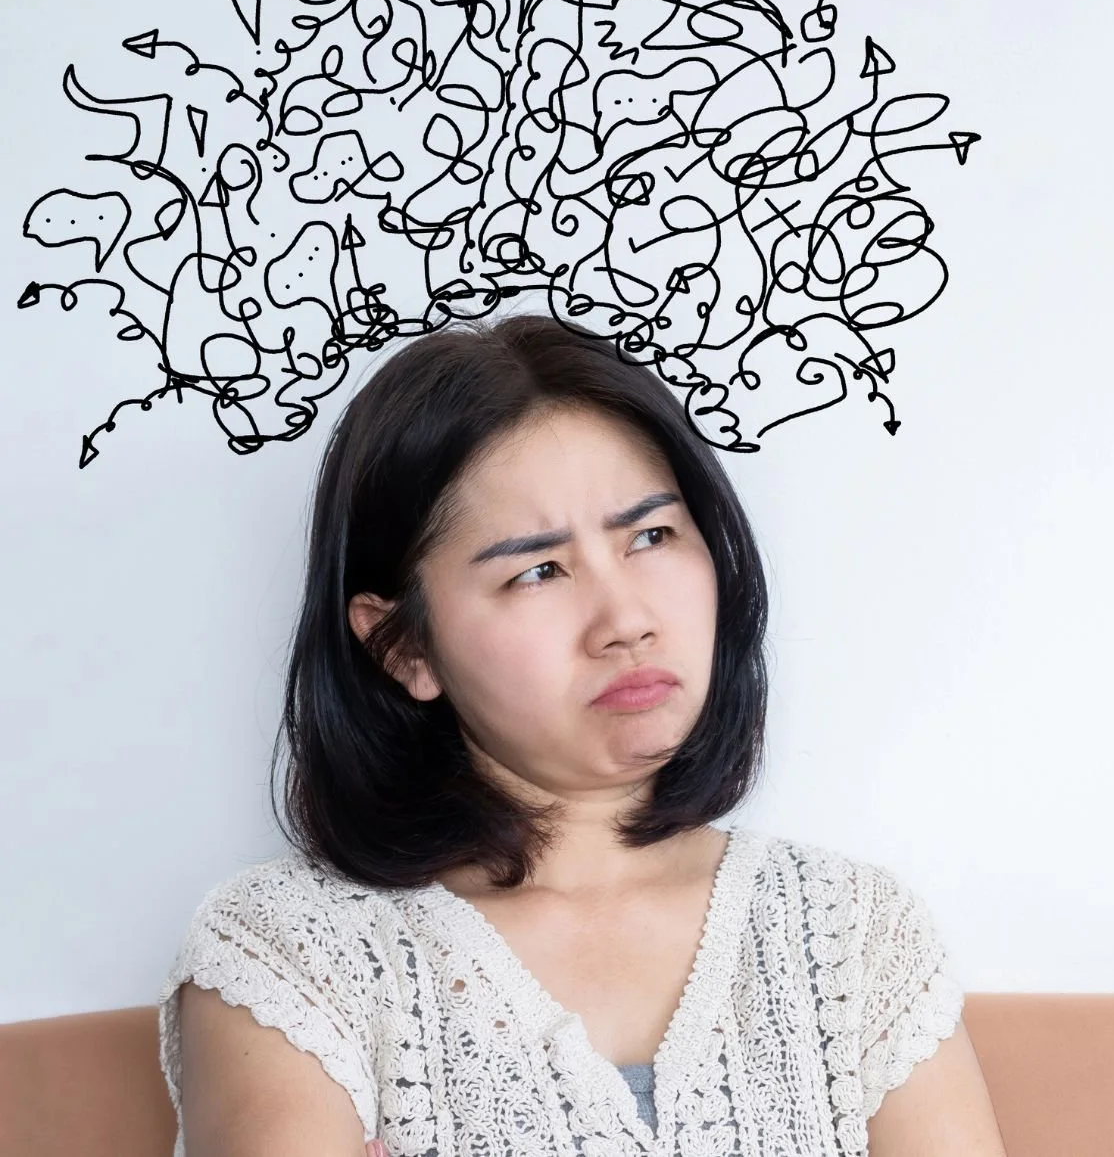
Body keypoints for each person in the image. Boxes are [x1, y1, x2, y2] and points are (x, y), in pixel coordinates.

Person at [159, 312, 1009, 1157]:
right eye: (537, 571)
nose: (627, 620)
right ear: (404, 644)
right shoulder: (284, 950)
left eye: (651, 536)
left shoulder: (855, 932)